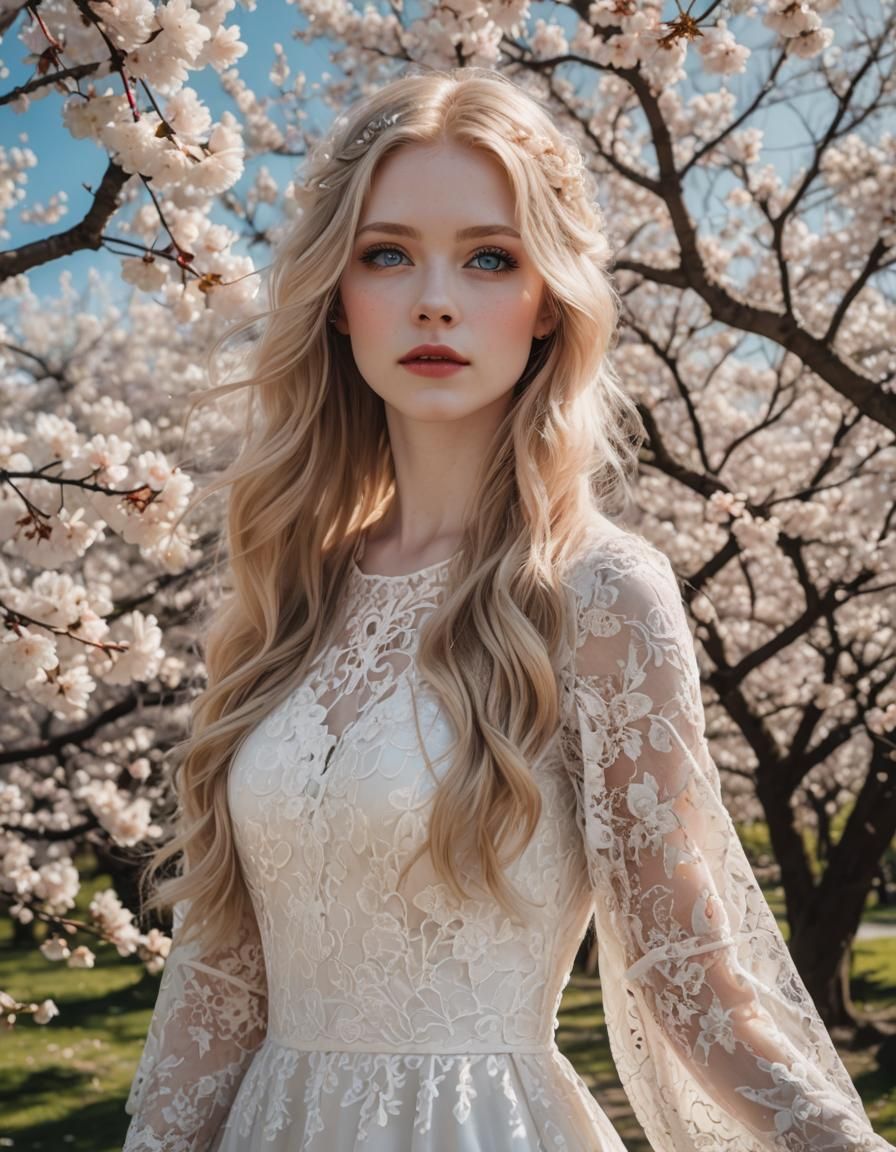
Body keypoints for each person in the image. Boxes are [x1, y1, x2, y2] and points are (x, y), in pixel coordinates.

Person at [122, 66, 894, 1152]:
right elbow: (219, 978)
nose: (434, 298)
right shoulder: (288, 593)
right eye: (385, 254)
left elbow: (684, 968)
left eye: (490, 258)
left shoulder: (601, 592)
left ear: (547, 303)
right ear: (335, 298)